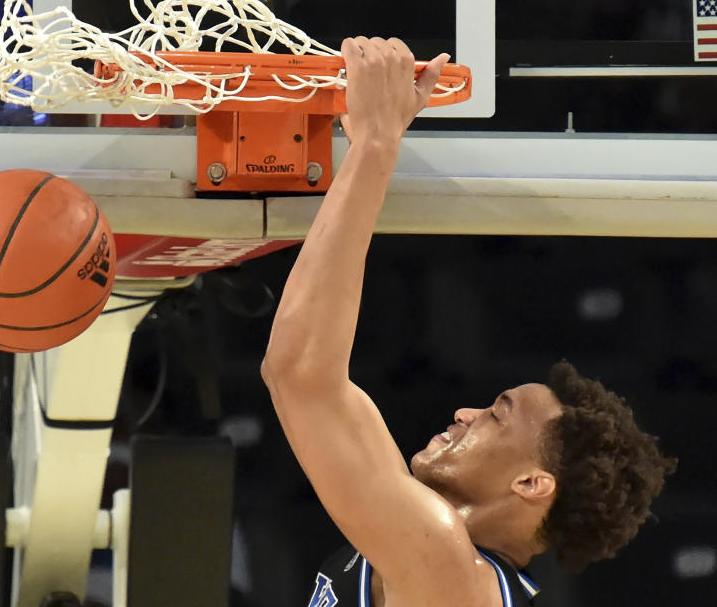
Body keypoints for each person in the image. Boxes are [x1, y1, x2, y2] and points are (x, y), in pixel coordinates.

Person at [260, 37, 675, 607]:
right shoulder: (443, 561)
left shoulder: (450, 570)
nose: (465, 412)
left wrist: (377, 145)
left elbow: (299, 374)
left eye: (498, 415)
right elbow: (308, 376)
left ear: (531, 484)